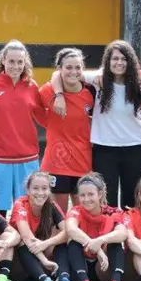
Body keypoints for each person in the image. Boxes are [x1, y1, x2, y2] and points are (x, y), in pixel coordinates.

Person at [51, 40, 141, 208]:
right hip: (104, 150)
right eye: (115, 59)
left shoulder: (138, 83)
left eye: (124, 59)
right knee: (108, 201)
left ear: (130, 61)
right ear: (108, 60)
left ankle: (129, 233)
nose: (119, 63)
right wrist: (59, 95)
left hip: (135, 148)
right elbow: (58, 74)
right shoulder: (98, 79)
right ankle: (111, 233)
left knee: (133, 200)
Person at [0, 40, 44, 217]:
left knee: (28, 209)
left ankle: (24, 243)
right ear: (3, 60)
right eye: (11, 61)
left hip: (28, 157)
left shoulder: (32, 86)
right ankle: (0, 243)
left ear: (25, 63)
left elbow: (45, 118)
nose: (15, 66)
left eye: (20, 62)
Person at [39, 48, 96, 213]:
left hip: (83, 163)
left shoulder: (90, 92)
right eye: (68, 67)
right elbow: (36, 112)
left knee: (83, 215)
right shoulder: (47, 91)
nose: (74, 71)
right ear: (59, 69)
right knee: (58, 217)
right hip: (56, 164)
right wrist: (58, 96)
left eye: (78, 67)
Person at [65, 172, 127, 281]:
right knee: (73, 242)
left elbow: (122, 234)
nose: (86, 199)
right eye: (82, 195)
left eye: (91, 194)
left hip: (103, 268)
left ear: (99, 194)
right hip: (81, 267)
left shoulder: (112, 212)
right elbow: (71, 229)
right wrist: (97, 248)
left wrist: (101, 240)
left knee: (115, 243)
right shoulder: (75, 211)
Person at [12, 171, 73, 281]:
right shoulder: (20, 204)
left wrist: (47, 243)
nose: (40, 193)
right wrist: (45, 261)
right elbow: (27, 238)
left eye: (44, 188)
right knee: (22, 242)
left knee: (61, 240)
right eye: (35, 188)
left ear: (49, 190)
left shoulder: (51, 204)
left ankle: (64, 280)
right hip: (19, 262)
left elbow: (68, 231)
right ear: (28, 190)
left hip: (40, 253)